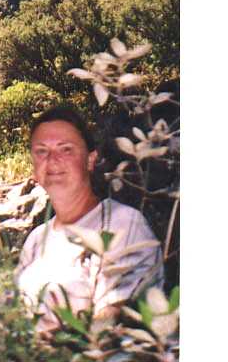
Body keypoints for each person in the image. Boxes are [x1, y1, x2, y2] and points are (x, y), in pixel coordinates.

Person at [16, 104, 164, 330]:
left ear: (90, 160)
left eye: (66, 149)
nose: (53, 160)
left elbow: (108, 328)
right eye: (41, 151)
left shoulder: (123, 224)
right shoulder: (36, 240)